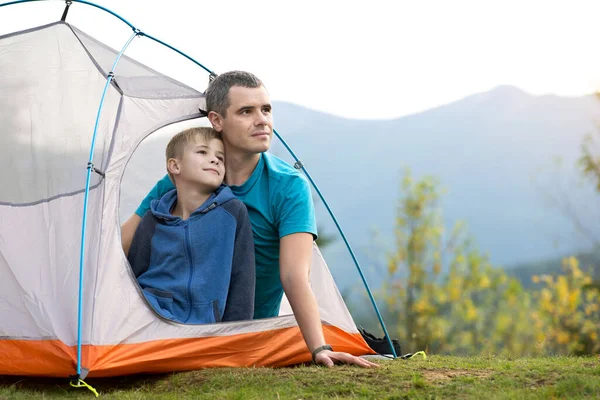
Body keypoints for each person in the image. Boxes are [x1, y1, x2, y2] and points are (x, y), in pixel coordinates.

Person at [122, 71, 377, 368]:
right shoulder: (187, 175)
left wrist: (319, 347)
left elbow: (295, 275)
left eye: (266, 110)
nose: (262, 121)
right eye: (246, 111)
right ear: (217, 120)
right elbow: (123, 245)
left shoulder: (288, 186)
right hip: (168, 322)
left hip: (242, 333)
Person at [126, 127, 255, 324]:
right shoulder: (152, 218)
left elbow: (242, 279)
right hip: (151, 323)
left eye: (220, 157)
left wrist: (237, 337)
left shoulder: (232, 213)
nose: (215, 160)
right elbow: (134, 275)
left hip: (205, 330)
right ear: (175, 166)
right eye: (203, 152)